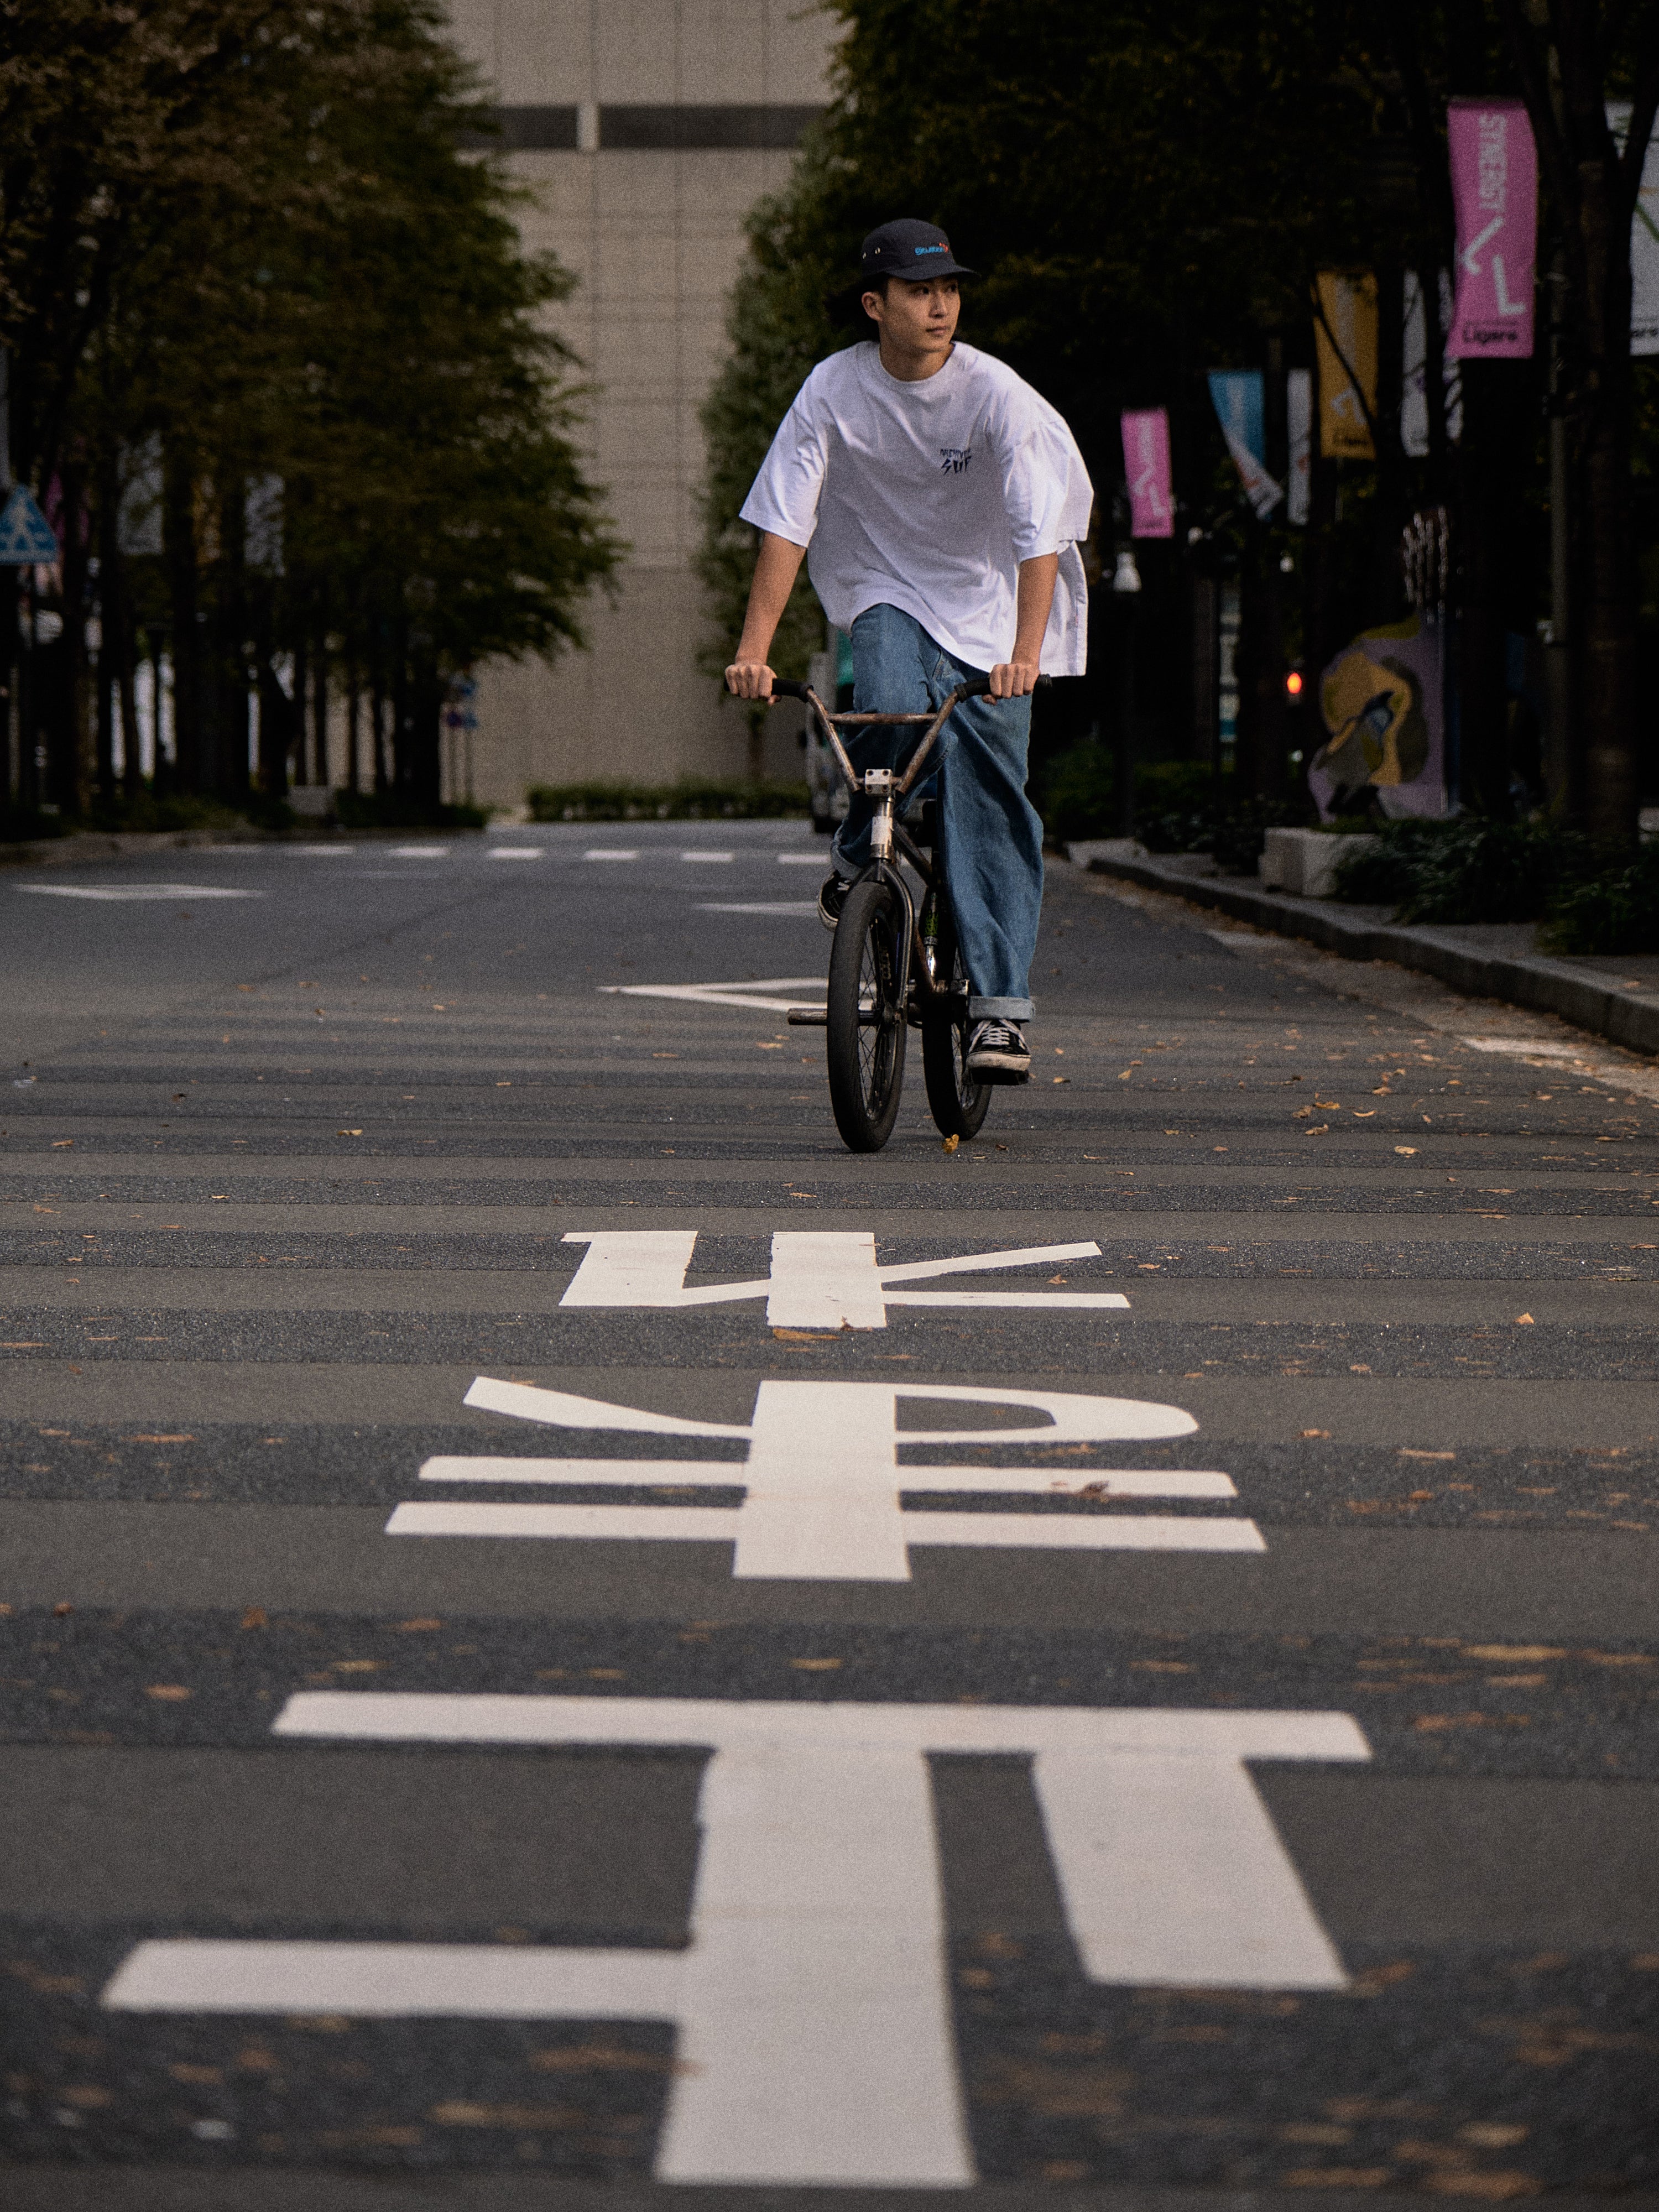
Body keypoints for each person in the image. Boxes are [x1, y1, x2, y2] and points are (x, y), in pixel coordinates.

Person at [725, 217, 1092, 1083]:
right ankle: (862, 849)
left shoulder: (995, 395)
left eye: (951, 290)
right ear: (874, 304)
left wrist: (1024, 656)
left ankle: (999, 1016)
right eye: (921, 291)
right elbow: (785, 521)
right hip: (885, 590)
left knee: (993, 795)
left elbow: (1039, 538)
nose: (941, 306)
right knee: (886, 709)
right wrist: (753, 650)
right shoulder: (831, 391)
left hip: (994, 605)